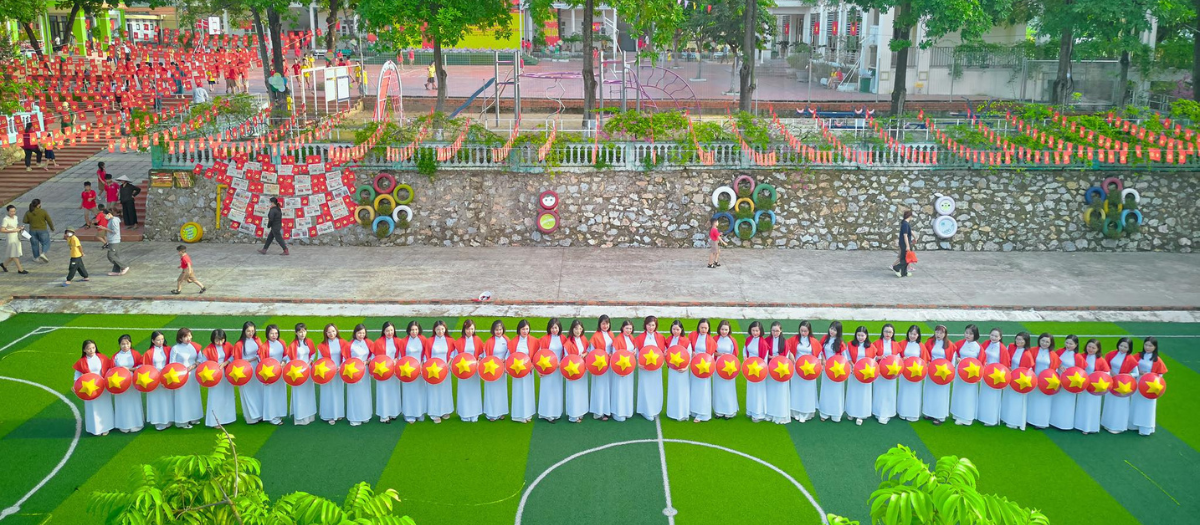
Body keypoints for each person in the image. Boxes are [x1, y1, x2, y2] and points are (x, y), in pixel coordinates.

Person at [73, 340, 115, 436]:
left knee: (105, 406)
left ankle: (106, 427)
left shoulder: (102, 358)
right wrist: (75, 385)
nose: (91, 350)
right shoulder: (81, 362)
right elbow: (77, 374)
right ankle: (95, 428)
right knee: (93, 408)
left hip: (103, 386)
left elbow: (110, 370)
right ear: (84, 350)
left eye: (93, 348)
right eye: (89, 348)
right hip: (89, 388)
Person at [1023, 333, 1061, 429]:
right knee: (1032, 400)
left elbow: (1055, 369)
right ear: (1039, 340)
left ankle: (1041, 422)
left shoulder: (1053, 355)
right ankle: (1029, 420)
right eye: (1043, 341)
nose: (1044, 343)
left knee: (1043, 401)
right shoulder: (1032, 350)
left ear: (1051, 343)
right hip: (1033, 379)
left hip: (1046, 382)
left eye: (1047, 342)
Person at [1130, 337, 1167, 436]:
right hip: (1138, 383)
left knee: (1147, 406)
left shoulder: (1157, 360)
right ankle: (1133, 425)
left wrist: (1150, 376)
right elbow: (1130, 364)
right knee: (1135, 402)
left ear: (1155, 347)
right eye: (1146, 345)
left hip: (1150, 386)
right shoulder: (1138, 355)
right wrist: (1138, 371)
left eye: (1150, 346)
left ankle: (1145, 428)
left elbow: (1160, 375)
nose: (1147, 347)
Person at [1100, 337, 1138, 433]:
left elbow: (1136, 373)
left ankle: (1117, 426)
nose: (1122, 348)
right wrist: (1111, 372)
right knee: (1109, 402)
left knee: (1120, 404)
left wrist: (1126, 376)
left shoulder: (1131, 359)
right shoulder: (1111, 354)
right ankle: (1106, 423)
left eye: (1125, 347)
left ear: (1129, 348)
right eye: (1121, 345)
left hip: (1122, 385)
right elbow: (1105, 365)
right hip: (1111, 381)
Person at [169, 328, 203, 429]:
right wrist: (180, 371)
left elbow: (200, 359)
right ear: (180, 338)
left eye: (189, 335)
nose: (188, 338)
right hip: (180, 376)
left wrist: (194, 365)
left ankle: (194, 417)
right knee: (182, 397)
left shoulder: (195, 346)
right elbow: (172, 363)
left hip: (193, 375)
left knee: (193, 395)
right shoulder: (175, 348)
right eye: (185, 337)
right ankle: (183, 421)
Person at [202, 329, 237, 428]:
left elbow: (233, 356)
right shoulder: (208, 349)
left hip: (226, 373)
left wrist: (226, 363)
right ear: (213, 339)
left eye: (222, 340)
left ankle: (228, 418)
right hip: (214, 375)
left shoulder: (228, 346)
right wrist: (214, 366)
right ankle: (215, 421)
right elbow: (204, 363)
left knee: (227, 395)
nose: (220, 342)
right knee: (215, 397)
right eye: (217, 340)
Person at [233, 322, 266, 425]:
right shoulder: (239, 344)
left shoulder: (257, 340)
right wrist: (249, 360)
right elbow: (236, 360)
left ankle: (260, 415)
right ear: (244, 331)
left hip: (257, 368)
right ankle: (251, 417)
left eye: (252, 331)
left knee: (258, 391)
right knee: (247, 392)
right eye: (248, 331)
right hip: (245, 370)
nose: (251, 333)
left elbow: (262, 352)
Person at [1074, 339, 1109, 435]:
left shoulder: (1100, 360)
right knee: (1082, 404)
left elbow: (1107, 373)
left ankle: (1089, 427)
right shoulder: (1081, 356)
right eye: (1089, 346)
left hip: (1094, 387)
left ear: (1098, 349)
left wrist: (1096, 377)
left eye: (1093, 348)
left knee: (1092, 406)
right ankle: (1079, 425)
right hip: (1082, 385)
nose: (1090, 349)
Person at [422, 321, 455, 423]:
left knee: (445, 390)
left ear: (445, 329)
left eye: (442, 329)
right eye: (438, 329)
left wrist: (448, 364)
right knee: (434, 391)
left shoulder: (450, 340)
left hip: (445, 369)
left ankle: (445, 410)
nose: (440, 331)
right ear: (434, 330)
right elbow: (426, 355)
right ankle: (434, 413)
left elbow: (453, 353)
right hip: (433, 370)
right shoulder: (430, 341)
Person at [787, 321, 820, 422]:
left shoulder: (814, 341)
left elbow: (819, 354)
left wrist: (818, 364)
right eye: (801, 330)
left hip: (809, 370)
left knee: (807, 390)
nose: (803, 333)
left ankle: (806, 412)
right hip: (797, 368)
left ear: (809, 331)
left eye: (805, 331)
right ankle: (795, 411)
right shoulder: (794, 339)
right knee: (796, 389)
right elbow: (787, 347)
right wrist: (791, 355)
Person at [949, 325, 982, 426]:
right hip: (960, 372)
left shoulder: (978, 347)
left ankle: (967, 417)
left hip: (971, 375)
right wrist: (957, 359)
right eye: (966, 333)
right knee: (959, 392)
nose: (968, 335)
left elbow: (981, 362)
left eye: (971, 334)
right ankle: (957, 413)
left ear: (975, 335)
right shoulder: (960, 343)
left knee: (968, 395)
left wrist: (978, 375)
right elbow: (954, 353)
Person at [111, 334, 144, 433]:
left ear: (130, 343)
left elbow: (141, 366)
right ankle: (123, 424)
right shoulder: (116, 356)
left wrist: (130, 369)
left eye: (127, 343)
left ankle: (136, 423)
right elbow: (111, 370)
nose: (125, 346)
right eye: (123, 344)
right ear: (119, 345)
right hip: (120, 383)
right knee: (122, 402)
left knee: (134, 401)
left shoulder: (135, 354)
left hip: (133, 381)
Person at [635, 316, 667, 421]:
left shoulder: (660, 337)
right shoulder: (640, 338)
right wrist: (638, 363)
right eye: (649, 325)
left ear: (656, 326)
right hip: (644, 368)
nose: (651, 327)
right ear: (645, 325)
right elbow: (637, 352)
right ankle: (646, 410)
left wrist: (662, 361)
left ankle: (655, 409)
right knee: (645, 387)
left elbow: (663, 351)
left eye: (653, 325)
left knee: (655, 387)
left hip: (656, 368)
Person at [287, 324, 318, 425]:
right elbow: (289, 358)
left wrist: (309, 362)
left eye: (304, 331)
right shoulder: (293, 345)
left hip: (308, 370)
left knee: (308, 392)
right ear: (296, 333)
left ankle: (310, 415)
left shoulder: (309, 342)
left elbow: (313, 353)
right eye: (300, 332)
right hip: (297, 373)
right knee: (299, 393)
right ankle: (300, 417)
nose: (302, 334)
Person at [143, 331, 174, 431]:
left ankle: (168, 420)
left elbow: (172, 363)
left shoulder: (168, 349)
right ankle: (158, 421)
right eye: (158, 340)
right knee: (156, 400)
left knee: (166, 399)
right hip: (154, 379)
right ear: (153, 341)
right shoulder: (148, 353)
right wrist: (156, 380)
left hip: (166, 378)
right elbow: (146, 369)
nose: (161, 341)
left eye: (162, 339)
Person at [510, 320, 540, 423]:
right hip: (517, 371)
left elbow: (537, 355)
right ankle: (518, 415)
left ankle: (527, 414)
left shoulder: (534, 341)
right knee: (518, 391)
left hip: (528, 371)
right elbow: (510, 356)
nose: (525, 331)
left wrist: (533, 364)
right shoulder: (513, 342)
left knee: (528, 391)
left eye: (527, 329)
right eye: (523, 329)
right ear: (519, 330)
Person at [1000, 332, 1031, 430]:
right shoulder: (1011, 347)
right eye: (1017, 339)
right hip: (1009, 376)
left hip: (1019, 380)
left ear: (1026, 341)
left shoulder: (1027, 354)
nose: (1019, 341)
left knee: (1016, 399)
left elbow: (1028, 370)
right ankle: (1005, 417)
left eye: (1021, 340)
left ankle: (1014, 421)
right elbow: (1006, 359)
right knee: (1007, 397)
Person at [373, 322, 403, 423]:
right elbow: (374, 357)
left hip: (394, 371)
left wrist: (396, 360)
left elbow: (401, 355)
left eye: (391, 330)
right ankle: (384, 415)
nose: (390, 332)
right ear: (383, 331)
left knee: (393, 391)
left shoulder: (398, 341)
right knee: (383, 391)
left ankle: (393, 412)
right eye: (387, 331)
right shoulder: (378, 342)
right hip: (382, 371)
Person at [318, 323, 348, 424]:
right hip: (327, 373)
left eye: (333, 331)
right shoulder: (321, 345)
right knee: (327, 393)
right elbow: (319, 360)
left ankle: (338, 414)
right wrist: (327, 370)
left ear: (337, 331)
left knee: (338, 392)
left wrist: (341, 365)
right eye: (329, 332)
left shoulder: (343, 342)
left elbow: (346, 356)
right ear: (325, 333)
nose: (331, 334)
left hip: (339, 371)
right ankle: (328, 415)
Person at [260, 325, 290, 425]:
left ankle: (279, 413)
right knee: (270, 394)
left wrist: (284, 362)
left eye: (276, 333)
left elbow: (286, 355)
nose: (274, 335)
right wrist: (265, 378)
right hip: (269, 374)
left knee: (280, 393)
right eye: (271, 333)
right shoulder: (264, 347)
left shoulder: (281, 343)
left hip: (280, 372)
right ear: (267, 334)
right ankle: (271, 416)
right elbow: (262, 362)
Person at [538, 318, 567, 423]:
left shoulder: (563, 338)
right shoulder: (544, 339)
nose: (554, 330)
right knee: (547, 390)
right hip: (547, 369)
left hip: (558, 369)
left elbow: (566, 353)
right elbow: (539, 355)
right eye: (552, 328)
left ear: (559, 328)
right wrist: (539, 370)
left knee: (556, 389)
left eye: (556, 327)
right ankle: (547, 413)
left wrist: (562, 363)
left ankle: (556, 412)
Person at [455, 320, 484, 422]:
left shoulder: (477, 340)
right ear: (464, 329)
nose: (470, 331)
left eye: (472, 329)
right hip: (462, 370)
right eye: (467, 329)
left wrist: (478, 360)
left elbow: (481, 353)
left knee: (474, 390)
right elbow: (456, 356)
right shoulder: (459, 341)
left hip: (474, 370)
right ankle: (464, 413)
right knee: (464, 390)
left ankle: (475, 413)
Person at [688, 318, 717, 422]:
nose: (703, 330)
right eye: (702, 327)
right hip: (695, 366)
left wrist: (710, 369)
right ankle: (694, 410)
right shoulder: (693, 335)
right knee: (694, 388)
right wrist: (692, 352)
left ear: (708, 329)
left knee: (703, 390)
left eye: (705, 328)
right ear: (698, 327)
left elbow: (712, 356)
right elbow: (689, 348)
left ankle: (702, 413)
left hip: (705, 368)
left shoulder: (711, 341)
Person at [1050, 335, 1080, 430]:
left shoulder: (1078, 356)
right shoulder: (1060, 351)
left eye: (1071, 344)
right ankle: (1053, 421)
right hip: (1058, 379)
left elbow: (1081, 371)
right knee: (1056, 400)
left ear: (1076, 345)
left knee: (1067, 402)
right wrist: (1059, 366)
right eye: (1067, 342)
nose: (1068, 345)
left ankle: (1065, 424)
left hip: (1070, 383)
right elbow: (1053, 362)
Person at [346, 324, 374, 426]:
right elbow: (346, 359)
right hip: (353, 372)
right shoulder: (350, 345)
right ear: (355, 333)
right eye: (359, 333)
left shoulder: (369, 343)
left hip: (365, 371)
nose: (361, 335)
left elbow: (373, 355)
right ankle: (354, 417)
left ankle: (365, 415)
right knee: (354, 393)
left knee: (364, 393)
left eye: (363, 333)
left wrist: (367, 362)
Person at [871, 324, 900, 424]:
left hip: (891, 373)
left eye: (890, 332)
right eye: (886, 331)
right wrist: (878, 357)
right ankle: (878, 412)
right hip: (879, 373)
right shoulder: (876, 343)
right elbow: (871, 357)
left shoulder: (896, 345)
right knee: (879, 392)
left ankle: (889, 412)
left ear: (893, 333)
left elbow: (898, 359)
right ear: (882, 332)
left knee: (889, 392)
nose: (888, 334)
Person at [845, 326, 875, 425]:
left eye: (862, 335)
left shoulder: (871, 347)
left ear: (866, 336)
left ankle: (861, 415)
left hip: (865, 374)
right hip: (854, 372)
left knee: (863, 394)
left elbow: (873, 361)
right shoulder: (850, 345)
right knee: (853, 392)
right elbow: (848, 357)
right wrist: (853, 366)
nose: (860, 337)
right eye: (858, 335)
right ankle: (851, 412)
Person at [609, 320, 637, 422]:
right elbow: (615, 356)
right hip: (620, 370)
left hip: (629, 369)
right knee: (619, 389)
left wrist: (634, 352)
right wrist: (619, 371)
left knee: (627, 389)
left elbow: (634, 350)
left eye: (630, 328)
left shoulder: (631, 338)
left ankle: (627, 411)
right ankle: (618, 412)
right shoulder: (617, 340)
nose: (629, 330)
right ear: (622, 328)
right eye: (627, 328)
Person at [664, 320, 691, 422]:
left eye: (677, 329)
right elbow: (666, 353)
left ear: (681, 330)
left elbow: (689, 355)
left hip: (682, 371)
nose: (675, 331)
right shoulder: (669, 340)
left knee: (682, 390)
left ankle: (683, 413)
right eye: (674, 329)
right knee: (673, 389)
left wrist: (686, 367)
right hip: (672, 369)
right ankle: (672, 412)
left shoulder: (686, 341)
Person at [564, 320, 591, 423]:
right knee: (573, 392)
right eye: (576, 329)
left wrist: (584, 354)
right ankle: (573, 415)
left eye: (580, 328)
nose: (578, 331)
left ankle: (581, 412)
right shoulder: (568, 343)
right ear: (572, 329)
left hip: (582, 370)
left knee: (581, 391)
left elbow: (588, 350)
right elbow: (566, 358)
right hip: (572, 371)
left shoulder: (583, 339)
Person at [482, 320, 510, 421]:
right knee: (491, 391)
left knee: (501, 390)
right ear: (493, 330)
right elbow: (485, 356)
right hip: (491, 370)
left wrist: (505, 360)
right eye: (496, 330)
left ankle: (501, 412)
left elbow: (509, 353)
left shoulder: (506, 340)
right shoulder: (489, 342)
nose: (499, 331)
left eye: (500, 329)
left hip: (502, 369)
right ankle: (491, 414)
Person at [897, 325, 925, 423]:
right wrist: (902, 359)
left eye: (914, 334)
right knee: (904, 391)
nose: (912, 336)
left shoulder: (920, 346)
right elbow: (897, 356)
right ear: (908, 333)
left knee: (914, 393)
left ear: (918, 335)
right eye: (910, 333)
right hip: (905, 373)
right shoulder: (902, 343)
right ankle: (902, 412)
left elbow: (924, 360)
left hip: (916, 374)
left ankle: (913, 413)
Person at [765, 321, 792, 424]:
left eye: (777, 331)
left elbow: (786, 357)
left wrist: (775, 358)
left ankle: (780, 413)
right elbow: (764, 354)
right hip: (770, 369)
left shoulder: (784, 342)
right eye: (773, 331)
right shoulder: (767, 340)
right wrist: (771, 357)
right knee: (770, 390)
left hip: (781, 370)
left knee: (780, 392)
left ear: (781, 331)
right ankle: (770, 413)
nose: (775, 333)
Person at [400, 321, 427, 423]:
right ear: (408, 330)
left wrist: (422, 365)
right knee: (408, 392)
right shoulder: (404, 341)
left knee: (420, 391)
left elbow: (426, 354)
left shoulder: (423, 340)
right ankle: (409, 414)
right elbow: (401, 356)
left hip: (420, 370)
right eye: (412, 330)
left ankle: (419, 412)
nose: (414, 332)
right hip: (407, 371)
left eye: (416, 329)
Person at [712, 320, 740, 419]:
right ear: (719, 329)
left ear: (729, 330)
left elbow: (735, 354)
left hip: (729, 367)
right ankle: (718, 411)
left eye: (726, 330)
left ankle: (729, 411)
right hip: (718, 365)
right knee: (718, 387)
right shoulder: (715, 339)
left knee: (728, 388)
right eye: (722, 329)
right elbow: (712, 352)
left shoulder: (732, 341)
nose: (724, 331)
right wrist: (720, 354)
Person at [589, 315, 614, 420]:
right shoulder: (595, 336)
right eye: (603, 323)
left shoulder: (611, 334)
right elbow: (591, 353)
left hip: (609, 365)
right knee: (600, 387)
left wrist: (611, 354)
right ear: (599, 324)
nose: (605, 326)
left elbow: (613, 348)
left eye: (607, 323)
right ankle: (599, 412)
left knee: (607, 386)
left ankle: (607, 410)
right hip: (599, 366)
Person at [743, 321, 768, 422]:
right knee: (751, 389)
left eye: (757, 330)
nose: (755, 333)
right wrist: (745, 356)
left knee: (758, 390)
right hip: (750, 368)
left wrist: (762, 367)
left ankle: (758, 413)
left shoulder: (763, 343)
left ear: (760, 331)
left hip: (759, 369)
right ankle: (750, 410)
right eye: (753, 330)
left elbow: (765, 358)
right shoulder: (749, 339)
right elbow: (745, 349)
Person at [2, 205, 29, 274]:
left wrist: (19, 228)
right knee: (14, 254)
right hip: (11, 238)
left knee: (13, 253)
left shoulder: (15, 217)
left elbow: (15, 226)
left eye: (14, 211)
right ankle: (20, 269)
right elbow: (2, 230)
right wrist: (13, 230)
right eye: (11, 211)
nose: (13, 213)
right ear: (8, 211)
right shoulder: (5, 219)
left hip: (16, 237)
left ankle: (4, 265)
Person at [102, 208, 129, 276]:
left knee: (110, 256)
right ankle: (116, 271)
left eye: (104, 215)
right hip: (112, 240)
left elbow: (115, 231)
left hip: (114, 240)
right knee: (116, 256)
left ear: (109, 214)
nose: (104, 217)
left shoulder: (114, 220)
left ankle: (124, 266)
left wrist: (105, 229)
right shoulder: (111, 220)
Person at [891, 210, 915, 277]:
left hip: (905, 243)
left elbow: (910, 232)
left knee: (904, 258)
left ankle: (904, 272)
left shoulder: (906, 223)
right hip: (904, 243)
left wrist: (915, 238)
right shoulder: (905, 224)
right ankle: (896, 267)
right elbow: (905, 235)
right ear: (910, 216)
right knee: (906, 258)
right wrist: (907, 246)